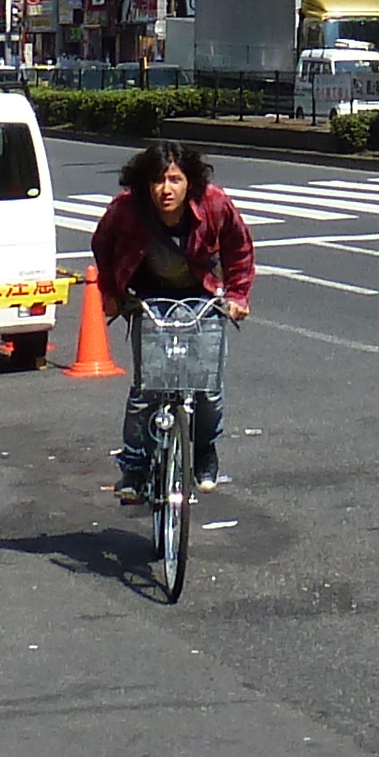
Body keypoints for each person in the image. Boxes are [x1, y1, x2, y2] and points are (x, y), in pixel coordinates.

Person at [88, 142, 252, 494]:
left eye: (175, 179)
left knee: (207, 388)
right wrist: (111, 293)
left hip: (201, 296)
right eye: (159, 180)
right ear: (146, 184)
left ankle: (204, 449)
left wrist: (238, 295)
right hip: (148, 297)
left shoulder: (213, 203)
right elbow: (102, 243)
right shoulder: (127, 209)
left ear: (188, 182)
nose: (167, 189)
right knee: (147, 389)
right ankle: (133, 466)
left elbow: (238, 248)